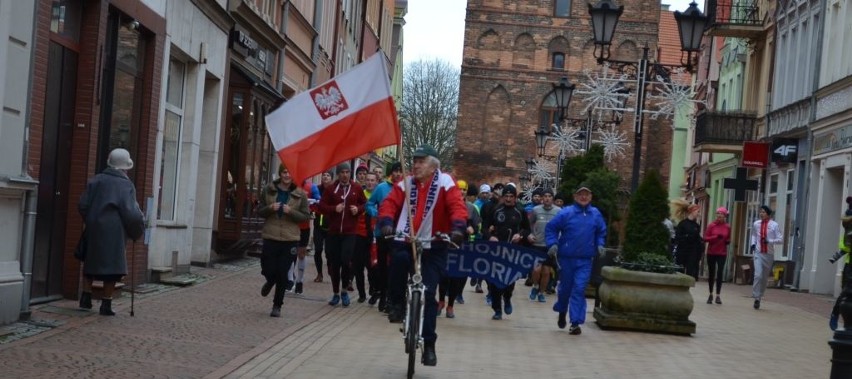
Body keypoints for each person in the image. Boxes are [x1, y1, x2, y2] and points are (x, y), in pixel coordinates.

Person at [378, 145, 467, 367]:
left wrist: (457, 228)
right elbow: (389, 203)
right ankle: (396, 303)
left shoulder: (446, 182)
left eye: (421, 161)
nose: (415, 165)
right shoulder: (406, 183)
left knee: (428, 294)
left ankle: (429, 345)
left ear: (433, 164)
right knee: (398, 260)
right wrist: (387, 223)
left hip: (434, 244)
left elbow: (457, 206)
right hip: (407, 240)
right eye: (414, 161)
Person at [77, 148, 146, 316]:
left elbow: (83, 204)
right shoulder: (126, 185)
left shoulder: (95, 180)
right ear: (125, 167)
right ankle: (106, 303)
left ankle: (86, 297)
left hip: (93, 226)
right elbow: (130, 212)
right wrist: (138, 228)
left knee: (90, 260)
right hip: (115, 230)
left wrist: (91, 219)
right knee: (113, 266)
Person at [544, 184, 606, 335]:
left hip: (585, 260)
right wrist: (552, 243)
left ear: (591, 197)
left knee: (579, 289)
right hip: (566, 258)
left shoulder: (595, 214)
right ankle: (562, 311)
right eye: (581, 194)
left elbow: (601, 231)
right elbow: (551, 228)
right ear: (575, 196)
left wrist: (600, 244)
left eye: (587, 194)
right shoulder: (567, 213)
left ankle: (575, 322)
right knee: (565, 289)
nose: (584, 197)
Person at [257, 164, 310, 316]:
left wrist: (291, 211)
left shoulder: (300, 194)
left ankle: (277, 305)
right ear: (280, 173)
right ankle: (269, 280)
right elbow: (259, 210)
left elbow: (306, 216)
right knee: (268, 268)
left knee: (282, 273)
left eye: (290, 172)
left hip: (290, 238)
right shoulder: (268, 189)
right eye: (285, 172)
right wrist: (270, 208)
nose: (287, 175)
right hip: (271, 235)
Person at [317, 162, 367, 307]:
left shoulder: (356, 188)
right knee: (334, 264)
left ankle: (344, 290)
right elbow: (322, 206)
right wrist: (334, 209)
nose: (345, 175)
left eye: (347, 172)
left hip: (350, 232)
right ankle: (335, 293)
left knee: (346, 261)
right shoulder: (332, 189)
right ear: (338, 174)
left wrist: (357, 209)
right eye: (342, 172)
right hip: (333, 232)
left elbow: (365, 204)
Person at [481, 184, 530, 320]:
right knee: (495, 281)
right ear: (503, 197)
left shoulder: (520, 211)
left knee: (510, 279)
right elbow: (484, 227)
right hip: (496, 250)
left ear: (515, 198)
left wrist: (520, 235)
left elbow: (527, 229)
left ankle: (507, 298)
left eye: (511, 196)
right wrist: (490, 236)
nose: (508, 199)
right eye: (506, 196)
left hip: (512, 251)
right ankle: (497, 309)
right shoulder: (496, 210)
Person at [367, 162, 404, 312]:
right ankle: (383, 294)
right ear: (391, 172)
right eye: (395, 171)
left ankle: (391, 297)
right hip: (382, 233)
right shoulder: (382, 188)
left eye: (400, 171)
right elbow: (369, 204)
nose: (397, 174)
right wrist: (377, 214)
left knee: (395, 266)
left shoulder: (406, 188)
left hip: (400, 234)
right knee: (382, 266)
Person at [528, 188, 560, 303]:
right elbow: (530, 223)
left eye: (549, 196)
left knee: (546, 272)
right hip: (537, 244)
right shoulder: (536, 210)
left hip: (549, 245)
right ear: (542, 198)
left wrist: (557, 241)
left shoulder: (558, 211)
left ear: (553, 198)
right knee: (536, 270)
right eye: (545, 196)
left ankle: (541, 293)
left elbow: (561, 227)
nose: (547, 198)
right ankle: (535, 286)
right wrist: (531, 233)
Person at [750, 205, 782, 310]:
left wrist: (769, 241)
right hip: (758, 253)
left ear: (768, 214)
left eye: (763, 212)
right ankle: (756, 297)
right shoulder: (756, 224)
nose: (761, 214)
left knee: (764, 277)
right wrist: (753, 244)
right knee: (758, 275)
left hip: (768, 254)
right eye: (760, 212)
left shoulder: (774, 225)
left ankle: (760, 295)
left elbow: (780, 239)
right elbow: (754, 235)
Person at [703, 207, 731, 304]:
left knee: (720, 273)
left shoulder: (727, 227)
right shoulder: (711, 226)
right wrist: (715, 237)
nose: (719, 215)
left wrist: (727, 241)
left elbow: (728, 238)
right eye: (718, 213)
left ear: (724, 216)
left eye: (721, 214)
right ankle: (710, 294)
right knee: (712, 273)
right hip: (711, 252)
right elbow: (705, 238)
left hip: (722, 253)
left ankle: (718, 295)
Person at [672, 199, 703, 280]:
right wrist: (686, 237)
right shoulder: (682, 224)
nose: (699, 213)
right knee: (680, 271)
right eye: (697, 211)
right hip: (682, 251)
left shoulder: (697, 226)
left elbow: (697, 240)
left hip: (692, 252)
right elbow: (677, 237)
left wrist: (699, 253)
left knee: (690, 272)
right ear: (692, 211)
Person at [312, 171, 334, 283]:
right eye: (324, 175)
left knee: (329, 252)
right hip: (318, 225)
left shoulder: (334, 190)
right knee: (318, 250)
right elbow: (312, 202)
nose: (325, 177)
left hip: (330, 225)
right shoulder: (316, 189)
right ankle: (319, 274)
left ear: (331, 178)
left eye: (328, 175)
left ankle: (330, 268)